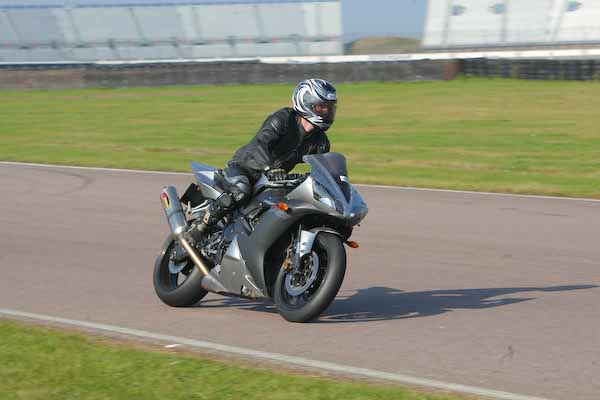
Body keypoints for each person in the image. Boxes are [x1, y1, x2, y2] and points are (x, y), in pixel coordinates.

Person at [190, 78, 338, 239]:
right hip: (245, 169)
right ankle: (200, 227)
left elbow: (322, 171)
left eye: (330, 107)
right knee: (241, 190)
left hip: (273, 180)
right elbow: (260, 144)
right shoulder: (284, 119)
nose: (327, 111)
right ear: (306, 103)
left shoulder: (320, 141)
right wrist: (270, 169)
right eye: (322, 107)